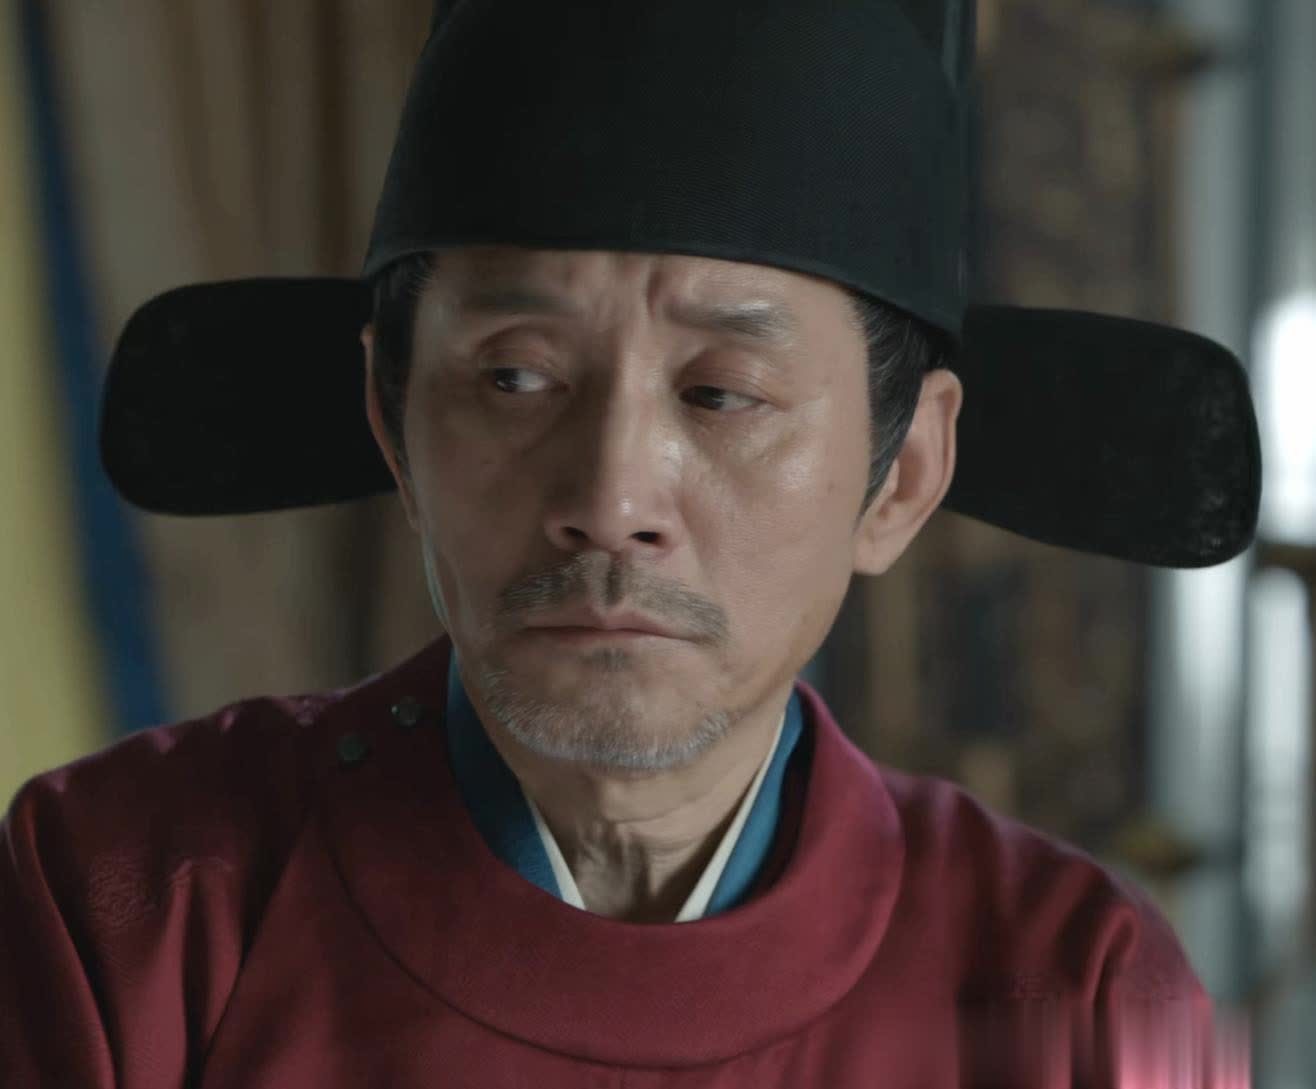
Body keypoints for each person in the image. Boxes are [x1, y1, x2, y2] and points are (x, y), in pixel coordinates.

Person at [1, 0, 1259, 1085]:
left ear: (902, 476)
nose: (609, 498)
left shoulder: (1078, 990)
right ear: (394, 423)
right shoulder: (125, 905)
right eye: (514, 377)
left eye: (720, 395)